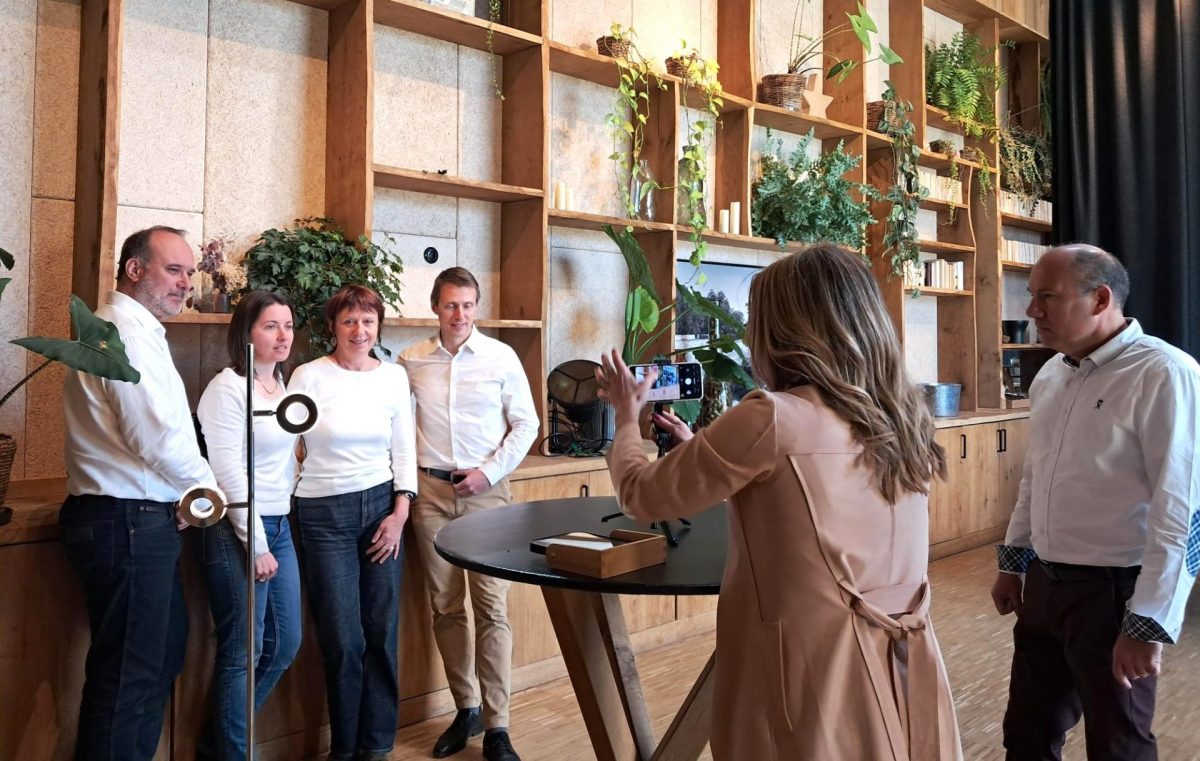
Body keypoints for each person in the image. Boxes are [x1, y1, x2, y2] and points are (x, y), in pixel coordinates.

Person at [597, 244, 963, 760]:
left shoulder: (770, 417)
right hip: (902, 659)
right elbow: (810, 493)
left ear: (782, 330)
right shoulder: (904, 417)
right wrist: (699, 450)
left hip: (809, 669)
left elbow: (641, 494)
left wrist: (624, 417)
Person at [990, 244, 1200, 760]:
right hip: (1044, 586)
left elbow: (1180, 508)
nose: (1031, 311)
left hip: (1113, 595)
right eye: (1031, 296)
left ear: (1101, 298)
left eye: (1046, 297)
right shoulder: (1052, 375)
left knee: (1117, 745)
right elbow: (1036, 477)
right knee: (1027, 734)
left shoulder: (1164, 372)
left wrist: (1148, 622)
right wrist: (1013, 564)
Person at [60, 226, 217, 761]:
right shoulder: (121, 331)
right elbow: (155, 436)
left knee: (157, 658)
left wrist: (183, 493)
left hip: (135, 519)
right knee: (129, 678)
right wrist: (205, 490)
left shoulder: (134, 330)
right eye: (174, 270)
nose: (186, 283)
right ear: (134, 269)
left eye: (189, 272)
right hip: (124, 522)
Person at [399, 267, 538, 761]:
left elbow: (526, 424)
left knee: (492, 607)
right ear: (435, 307)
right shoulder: (410, 360)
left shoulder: (501, 357)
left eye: (467, 305)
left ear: (476, 307)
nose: (459, 314)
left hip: (486, 496)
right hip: (431, 495)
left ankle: (498, 726)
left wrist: (488, 472)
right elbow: (399, 428)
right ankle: (467, 709)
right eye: (450, 305)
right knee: (446, 606)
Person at [289, 285, 418, 761]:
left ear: (378, 326)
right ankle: (343, 748)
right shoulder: (307, 375)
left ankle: (377, 744)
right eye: (348, 321)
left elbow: (404, 448)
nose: (359, 330)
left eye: (367, 321)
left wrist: (400, 513)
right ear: (333, 327)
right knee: (343, 640)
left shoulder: (394, 378)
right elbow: (287, 445)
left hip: (382, 509)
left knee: (381, 631)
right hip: (323, 514)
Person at [195, 291, 303, 760]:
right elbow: (229, 473)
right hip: (236, 529)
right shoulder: (227, 389)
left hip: (280, 523)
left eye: (288, 326)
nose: (283, 335)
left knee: (285, 644)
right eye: (270, 326)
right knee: (243, 652)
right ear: (246, 332)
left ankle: (216, 747)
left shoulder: (283, 386)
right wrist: (256, 543)